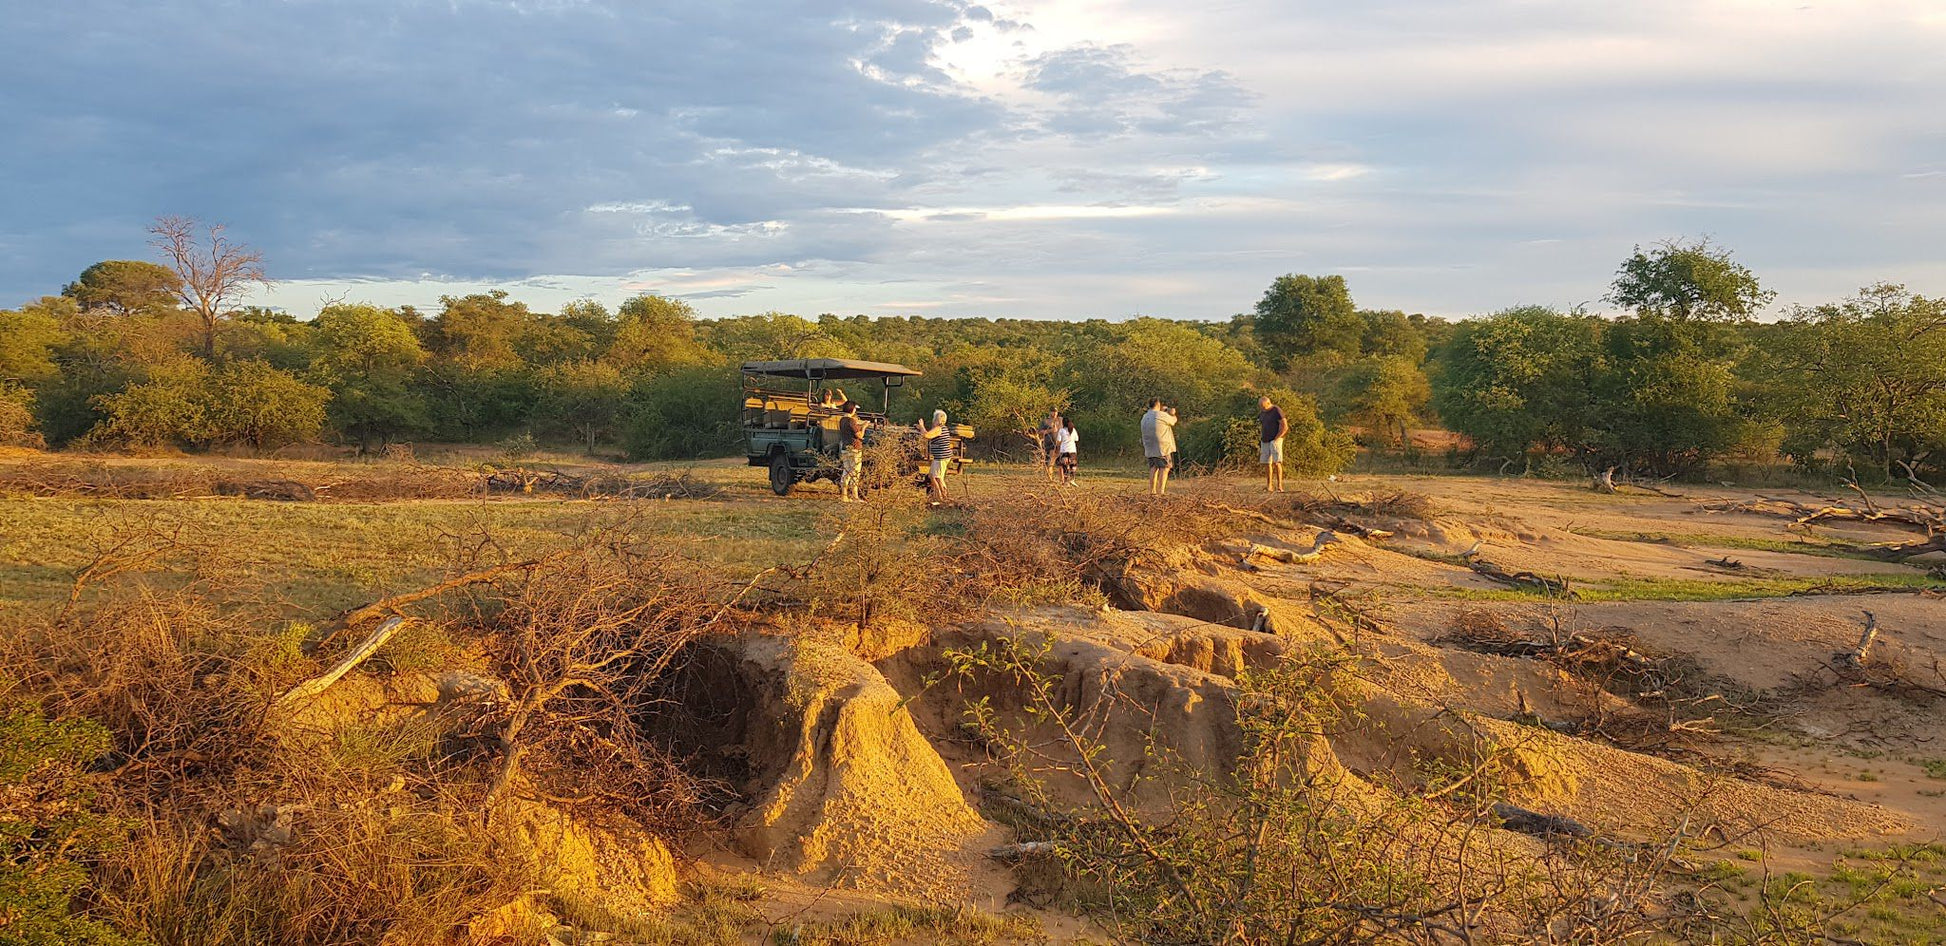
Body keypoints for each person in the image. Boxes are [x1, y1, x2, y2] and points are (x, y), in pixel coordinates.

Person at [1140, 398, 1178, 496]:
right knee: (1164, 468)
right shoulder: (1161, 415)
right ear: (1158, 405)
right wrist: (1172, 413)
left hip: (1149, 446)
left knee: (1153, 467)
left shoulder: (1145, 416)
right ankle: (1161, 492)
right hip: (1162, 446)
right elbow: (1173, 421)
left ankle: (1152, 491)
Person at [915, 409, 953, 503]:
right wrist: (920, 429)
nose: (933, 421)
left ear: (937, 420)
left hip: (941, 457)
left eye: (934, 418)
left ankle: (942, 498)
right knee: (934, 476)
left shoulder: (939, 428)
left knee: (936, 477)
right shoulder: (943, 428)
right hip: (941, 457)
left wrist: (922, 426)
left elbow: (927, 435)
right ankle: (942, 497)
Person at [838, 402, 869, 503]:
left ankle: (844, 496)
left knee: (846, 472)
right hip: (854, 449)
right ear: (852, 409)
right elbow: (859, 435)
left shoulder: (842, 420)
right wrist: (864, 426)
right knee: (855, 473)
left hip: (845, 448)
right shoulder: (851, 421)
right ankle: (855, 497)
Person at [1258, 395, 1288, 493]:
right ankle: (1269, 486)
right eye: (1260, 406)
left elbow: (1285, 426)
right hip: (1265, 439)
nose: (1262, 408)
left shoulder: (1276, 410)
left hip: (1275, 439)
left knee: (1277, 462)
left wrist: (1277, 438)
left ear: (1268, 403)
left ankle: (1279, 486)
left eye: (1263, 406)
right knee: (1267, 463)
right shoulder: (1263, 412)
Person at [1038, 410, 1063, 481]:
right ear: (1050, 412)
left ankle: (1062, 480)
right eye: (1053, 411)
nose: (1054, 413)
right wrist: (1050, 430)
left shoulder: (1060, 420)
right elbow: (1040, 432)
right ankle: (1050, 479)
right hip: (1049, 444)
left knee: (1061, 463)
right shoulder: (1045, 421)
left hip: (1059, 444)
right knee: (1050, 463)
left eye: (1056, 412)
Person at [1054, 417, 1079, 486]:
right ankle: (1072, 479)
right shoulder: (1073, 430)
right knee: (1073, 465)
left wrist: (1057, 447)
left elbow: (1058, 441)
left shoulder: (1061, 430)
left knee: (1064, 465)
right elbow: (1077, 439)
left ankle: (1066, 481)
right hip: (1072, 450)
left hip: (1064, 450)